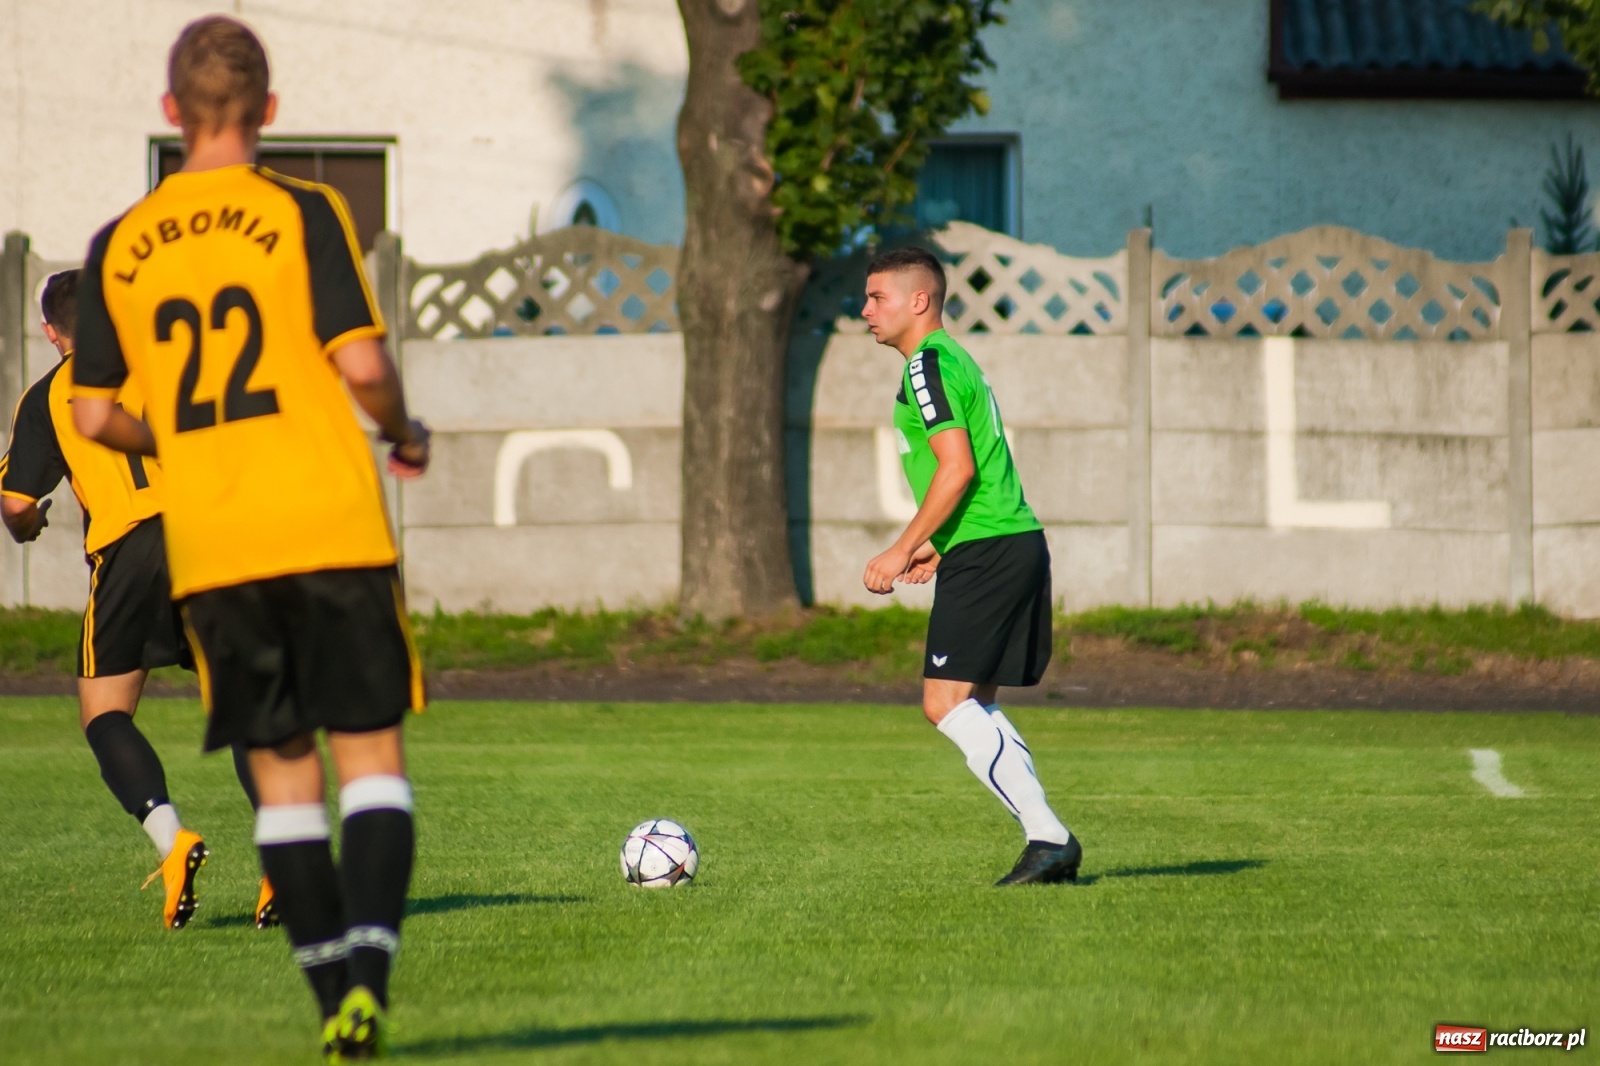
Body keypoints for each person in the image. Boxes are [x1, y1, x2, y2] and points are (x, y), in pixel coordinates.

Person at [70, 16, 431, 1062]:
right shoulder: (304, 208)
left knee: (282, 779)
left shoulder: (120, 244)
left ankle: (332, 1010)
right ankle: (369, 977)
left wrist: (174, 438)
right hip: (325, 520)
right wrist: (404, 431)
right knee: (370, 766)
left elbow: (93, 416)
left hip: (216, 544)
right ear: (270, 111)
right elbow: (361, 365)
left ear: (171, 113)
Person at [1, 269, 274, 930]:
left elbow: (15, 504)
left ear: (50, 332)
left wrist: (30, 524)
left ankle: (173, 839)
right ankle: (282, 863)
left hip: (127, 552)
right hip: (209, 537)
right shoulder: (169, 363)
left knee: (104, 712)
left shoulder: (48, 396)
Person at [860, 247, 1081, 886]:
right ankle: (1047, 841)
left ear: (918, 301)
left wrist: (902, 546)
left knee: (943, 702)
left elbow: (959, 468)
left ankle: (1049, 837)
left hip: (991, 549)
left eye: (878, 297)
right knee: (973, 706)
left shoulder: (927, 366)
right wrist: (940, 543)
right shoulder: (951, 359)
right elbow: (978, 468)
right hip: (1004, 543)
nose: (866, 310)